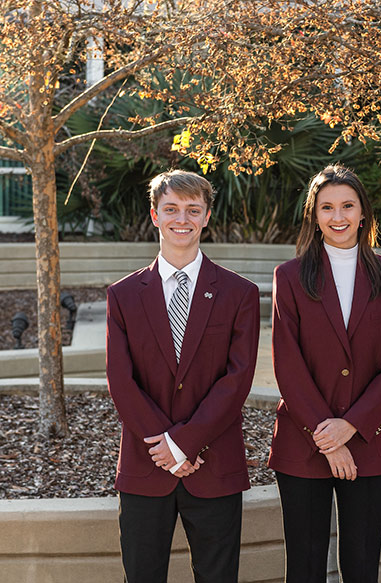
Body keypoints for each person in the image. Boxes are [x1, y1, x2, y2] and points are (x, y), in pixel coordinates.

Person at [106, 170, 260, 583]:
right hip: (145, 462)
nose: (182, 219)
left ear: (207, 217)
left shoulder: (238, 293)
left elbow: (238, 377)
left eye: (193, 210)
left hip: (214, 464)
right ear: (154, 215)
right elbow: (120, 379)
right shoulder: (122, 294)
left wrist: (184, 443)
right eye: (171, 209)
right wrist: (166, 445)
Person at [268, 164, 381, 583]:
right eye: (327, 207)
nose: (338, 217)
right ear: (313, 215)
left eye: (347, 206)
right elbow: (287, 363)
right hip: (303, 442)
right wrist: (326, 436)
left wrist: (350, 426)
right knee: (304, 565)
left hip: (369, 441)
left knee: (363, 565)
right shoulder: (290, 277)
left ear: (363, 213)